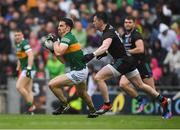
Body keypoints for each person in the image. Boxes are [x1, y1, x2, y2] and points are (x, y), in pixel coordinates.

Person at [82, 12, 172, 119]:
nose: (93, 23)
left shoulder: (109, 33)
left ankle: (107, 104)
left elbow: (105, 46)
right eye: (126, 22)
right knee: (140, 86)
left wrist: (92, 55)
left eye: (94, 20)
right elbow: (115, 46)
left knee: (98, 77)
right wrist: (105, 53)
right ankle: (163, 100)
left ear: (101, 21)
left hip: (126, 62)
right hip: (129, 61)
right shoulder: (111, 30)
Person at [46, 18, 98, 118]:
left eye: (61, 26)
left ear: (68, 28)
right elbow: (64, 61)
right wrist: (53, 51)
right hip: (81, 69)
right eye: (58, 26)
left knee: (52, 84)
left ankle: (65, 105)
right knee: (82, 93)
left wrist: (55, 42)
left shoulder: (67, 38)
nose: (59, 28)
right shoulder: (66, 39)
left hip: (78, 71)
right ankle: (93, 111)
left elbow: (59, 51)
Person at [119, 16, 156, 113]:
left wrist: (127, 51)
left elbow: (141, 49)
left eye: (129, 22)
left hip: (141, 65)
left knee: (153, 93)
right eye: (126, 22)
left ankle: (165, 107)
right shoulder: (124, 36)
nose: (127, 24)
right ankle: (140, 100)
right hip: (130, 66)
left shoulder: (136, 35)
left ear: (134, 24)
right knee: (122, 84)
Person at [15, 29, 36, 114]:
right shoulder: (18, 44)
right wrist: (18, 67)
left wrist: (29, 68)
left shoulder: (24, 43)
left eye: (19, 35)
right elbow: (20, 58)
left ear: (22, 35)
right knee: (28, 90)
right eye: (15, 35)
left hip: (28, 69)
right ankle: (31, 111)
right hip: (26, 68)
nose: (17, 37)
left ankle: (31, 105)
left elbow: (31, 55)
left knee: (19, 87)